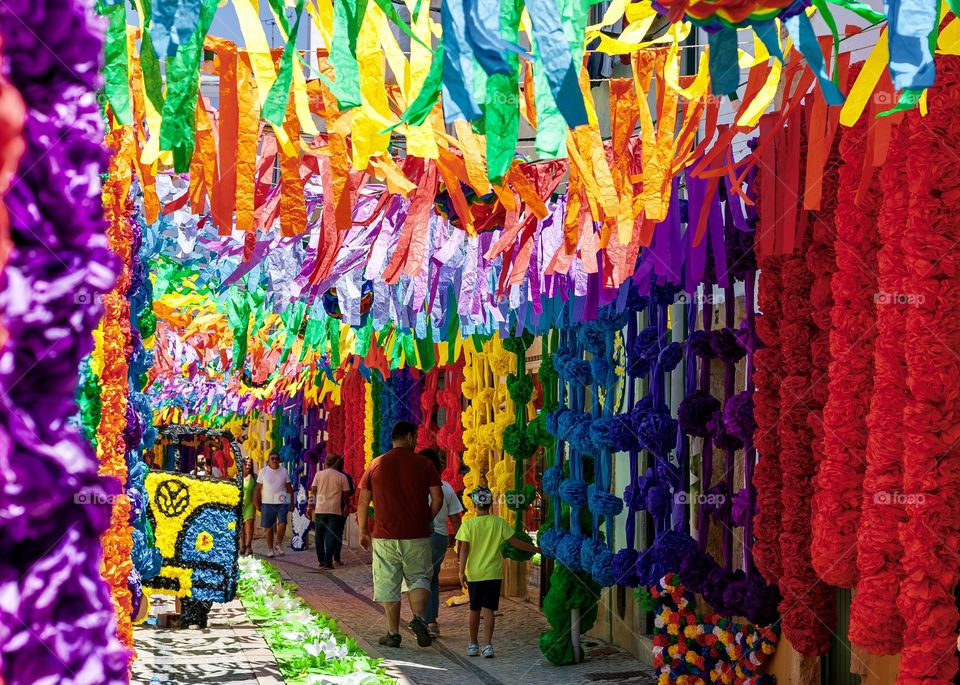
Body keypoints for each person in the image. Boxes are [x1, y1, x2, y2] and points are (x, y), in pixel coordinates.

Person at [357, 421, 443, 649]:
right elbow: (438, 498)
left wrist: (363, 529)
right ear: (408, 437)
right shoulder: (424, 464)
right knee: (419, 577)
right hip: (417, 534)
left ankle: (393, 633)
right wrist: (427, 518)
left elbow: (363, 500)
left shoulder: (375, 464)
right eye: (415, 437)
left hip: (384, 534)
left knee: (388, 582)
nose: (416, 442)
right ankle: (417, 618)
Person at [455, 486, 540, 659]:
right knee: (488, 611)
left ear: (474, 504)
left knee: (474, 609)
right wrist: (536, 548)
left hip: (475, 574)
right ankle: (487, 646)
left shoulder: (468, 524)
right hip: (493, 574)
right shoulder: (499, 522)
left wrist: (461, 572)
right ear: (489, 504)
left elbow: (463, 549)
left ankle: (473, 644)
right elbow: (515, 542)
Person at [418, 448, 463, 638]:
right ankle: (431, 621)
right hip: (440, 537)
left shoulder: (414, 487)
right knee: (432, 578)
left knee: (420, 577)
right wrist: (460, 542)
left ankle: (421, 619)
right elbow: (455, 519)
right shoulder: (445, 487)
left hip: (418, 536)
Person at [307, 454, 351, 570]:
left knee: (319, 536)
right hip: (335, 510)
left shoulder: (318, 474)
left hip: (320, 510)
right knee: (331, 536)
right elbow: (346, 495)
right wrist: (347, 506)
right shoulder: (342, 477)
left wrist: (309, 507)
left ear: (326, 463)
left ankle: (321, 561)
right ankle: (328, 562)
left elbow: (313, 492)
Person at [254, 453, 293, 558]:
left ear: (279, 460)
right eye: (272, 458)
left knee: (283, 523)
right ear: (268, 460)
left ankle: (278, 543)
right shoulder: (263, 471)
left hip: (282, 502)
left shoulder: (284, 471)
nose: (275, 460)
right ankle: (270, 549)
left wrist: (291, 503)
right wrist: (256, 502)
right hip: (267, 503)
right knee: (269, 527)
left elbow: (289, 488)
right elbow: (258, 488)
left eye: (277, 459)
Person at [332, 457, 355, 568]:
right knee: (338, 533)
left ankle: (327, 557)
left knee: (329, 532)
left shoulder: (323, 475)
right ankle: (336, 558)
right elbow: (350, 492)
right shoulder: (346, 476)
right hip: (341, 508)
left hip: (327, 508)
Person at [241, 458, 256, 555]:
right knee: (241, 526)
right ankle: (242, 545)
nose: (247, 466)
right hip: (240, 504)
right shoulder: (237, 477)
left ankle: (249, 545)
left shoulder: (254, 477)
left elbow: (257, 491)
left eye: (249, 464)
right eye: (245, 464)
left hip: (250, 503)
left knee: (249, 524)